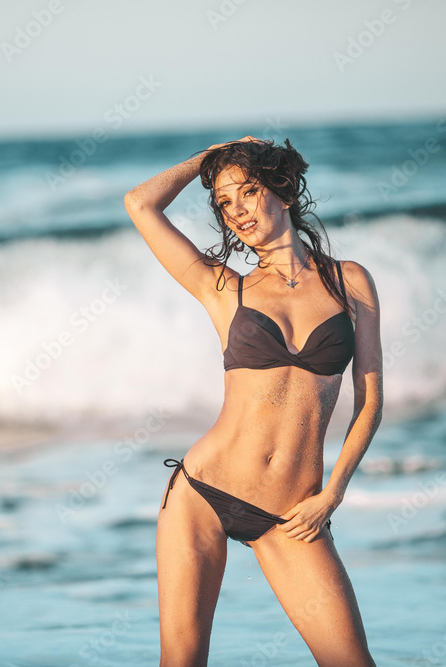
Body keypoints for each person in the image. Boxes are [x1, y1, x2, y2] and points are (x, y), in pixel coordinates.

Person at [123, 136, 383, 667]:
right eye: (224, 202)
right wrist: (209, 157)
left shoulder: (348, 282)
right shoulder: (226, 290)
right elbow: (139, 204)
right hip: (203, 494)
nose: (236, 210)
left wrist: (332, 494)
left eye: (248, 191)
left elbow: (371, 400)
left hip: (293, 512)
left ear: (282, 191)